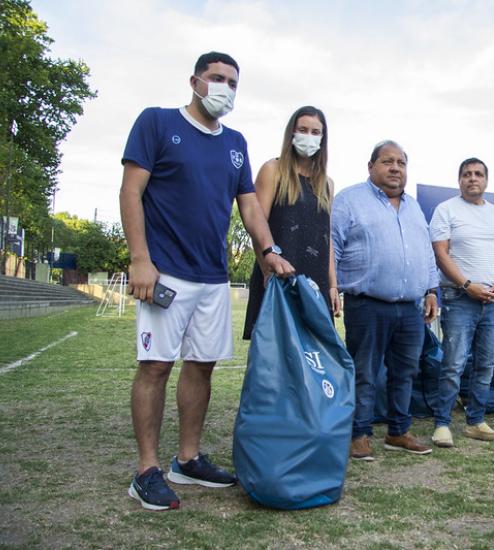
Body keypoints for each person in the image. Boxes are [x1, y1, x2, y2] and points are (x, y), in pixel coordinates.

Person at [120, 52, 292, 511]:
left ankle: (188, 458)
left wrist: (269, 250)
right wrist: (140, 259)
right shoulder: (156, 123)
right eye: (217, 78)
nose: (225, 88)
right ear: (195, 81)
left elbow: (250, 207)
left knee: (202, 365)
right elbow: (130, 191)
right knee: (156, 366)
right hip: (165, 273)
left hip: (214, 278)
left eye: (233, 82)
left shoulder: (235, 142)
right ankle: (147, 470)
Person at [332, 140, 438, 461]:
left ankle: (398, 431)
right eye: (387, 162)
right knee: (364, 371)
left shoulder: (414, 207)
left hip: (410, 307)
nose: (395, 168)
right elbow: (331, 247)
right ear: (371, 167)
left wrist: (432, 290)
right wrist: (331, 287)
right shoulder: (349, 200)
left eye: (401, 163)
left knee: (404, 371)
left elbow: (427, 252)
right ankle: (359, 434)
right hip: (366, 303)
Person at [428, 158, 494, 447]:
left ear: (486, 180)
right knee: (454, 363)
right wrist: (467, 284)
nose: (472, 178)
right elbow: (441, 253)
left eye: (478, 174)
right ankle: (442, 424)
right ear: (459, 180)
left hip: (492, 300)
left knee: (486, 363)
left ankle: (476, 421)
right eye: (466, 174)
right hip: (459, 297)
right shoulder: (446, 210)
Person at [242, 106, 340, 339]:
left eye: (316, 132)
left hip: (315, 282)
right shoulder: (272, 170)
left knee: (314, 359)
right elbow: (257, 224)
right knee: (274, 358)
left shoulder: (327, 183)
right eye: (303, 129)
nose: (309, 136)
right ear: (291, 133)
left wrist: (333, 285)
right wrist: (266, 267)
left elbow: (326, 239)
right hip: (279, 277)